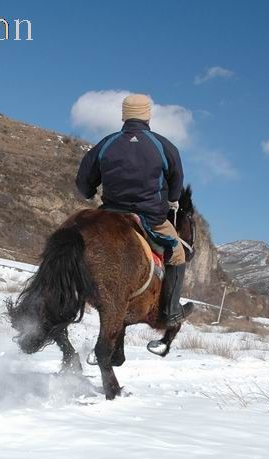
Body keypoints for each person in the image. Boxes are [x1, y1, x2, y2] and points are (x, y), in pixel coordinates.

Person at [75, 93, 193, 327]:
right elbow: (176, 182)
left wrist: (90, 192)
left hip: (110, 214)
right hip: (152, 217)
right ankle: (169, 312)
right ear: (147, 116)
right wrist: (170, 199)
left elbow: (83, 181)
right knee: (178, 254)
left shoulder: (107, 143)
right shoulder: (163, 145)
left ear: (124, 115)